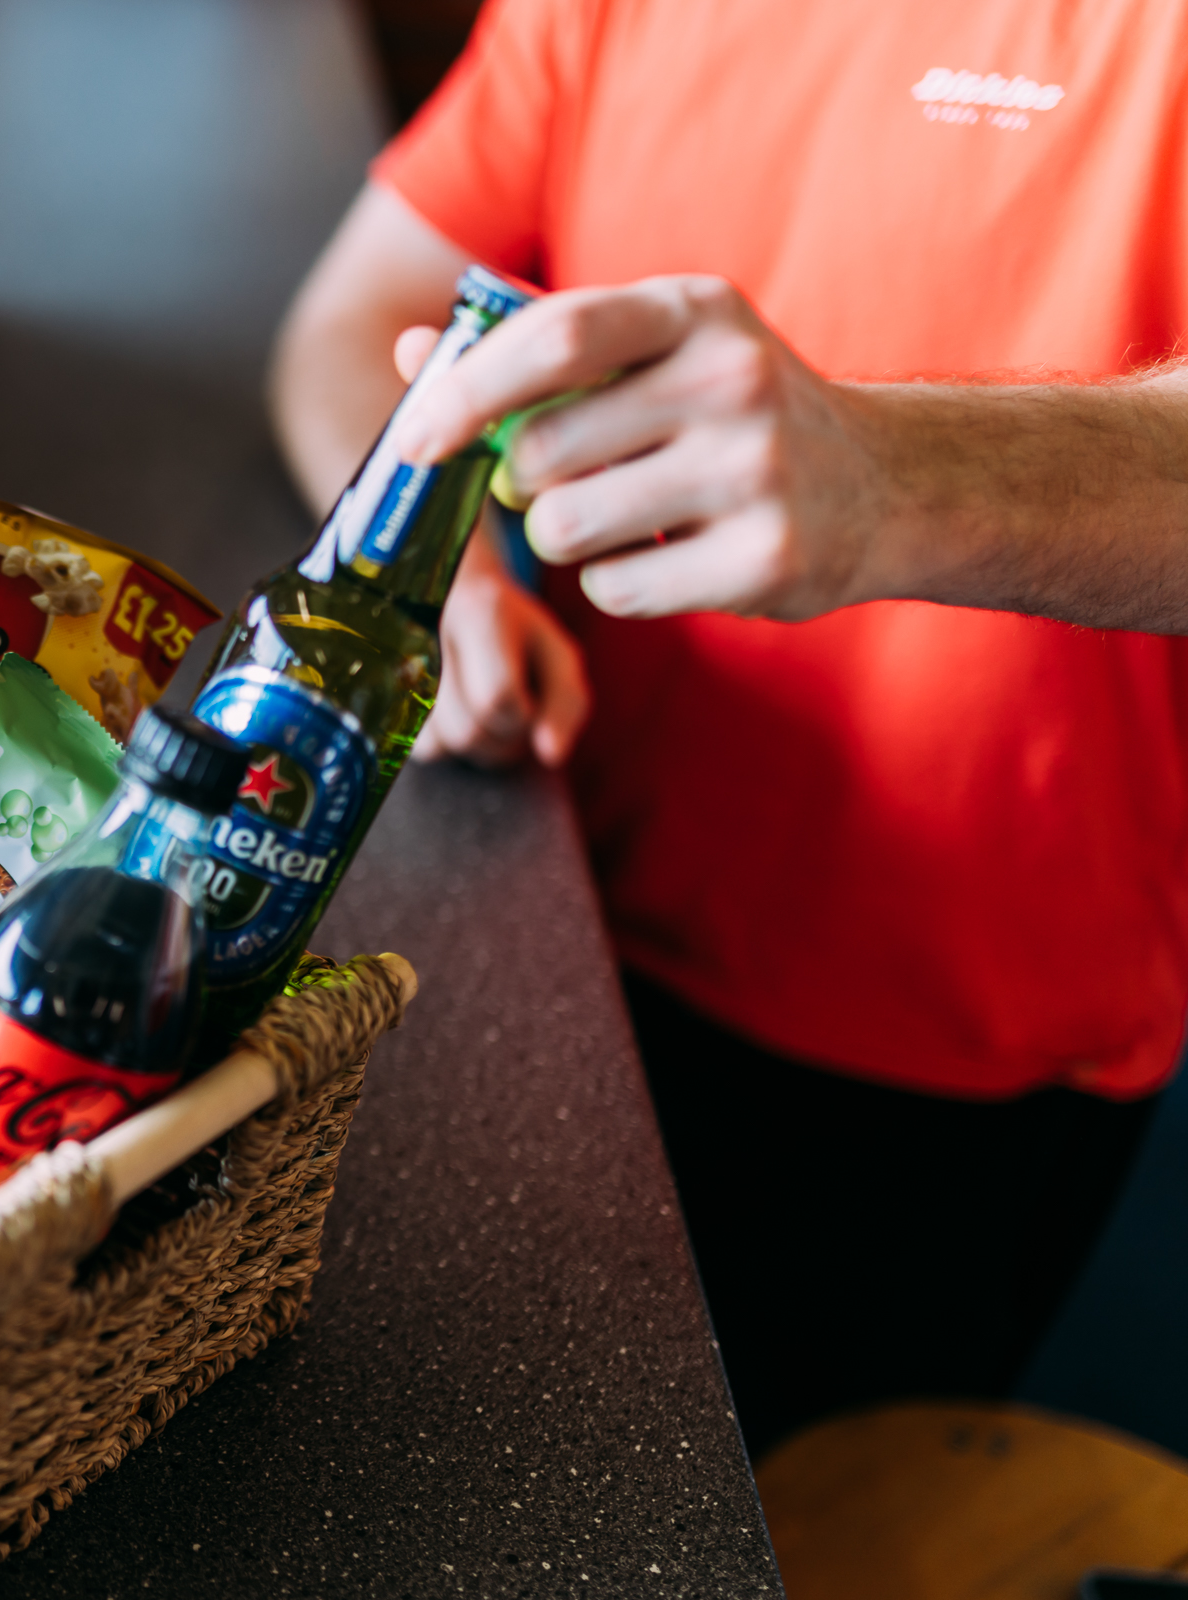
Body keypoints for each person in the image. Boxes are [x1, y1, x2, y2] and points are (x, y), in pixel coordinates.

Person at [272, 0, 1188, 1458]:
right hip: (548, 903)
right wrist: (438, 572)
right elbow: (352, 316)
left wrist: (896, 471)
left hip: (945, 1046)